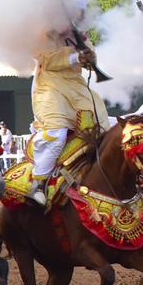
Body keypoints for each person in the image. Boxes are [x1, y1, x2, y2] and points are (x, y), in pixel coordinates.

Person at [29, 21, 110, 205]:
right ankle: (39, 183)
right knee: (56, 133)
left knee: (104, 129)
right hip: (50, 87)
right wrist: (75, 58)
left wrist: (89, 59)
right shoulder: (43, 34)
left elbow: (90, 62)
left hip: (77, 88)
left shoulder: (80, 36)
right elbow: (46, 60)